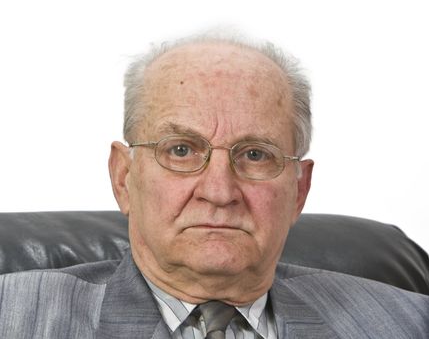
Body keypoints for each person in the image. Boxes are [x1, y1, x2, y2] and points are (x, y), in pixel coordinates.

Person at [0, 31, 428, 338]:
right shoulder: (14, 314)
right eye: (182, 150)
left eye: (256, 155)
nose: (220, 192)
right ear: (124, 177)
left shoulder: (409, 321)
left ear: (299, 191)